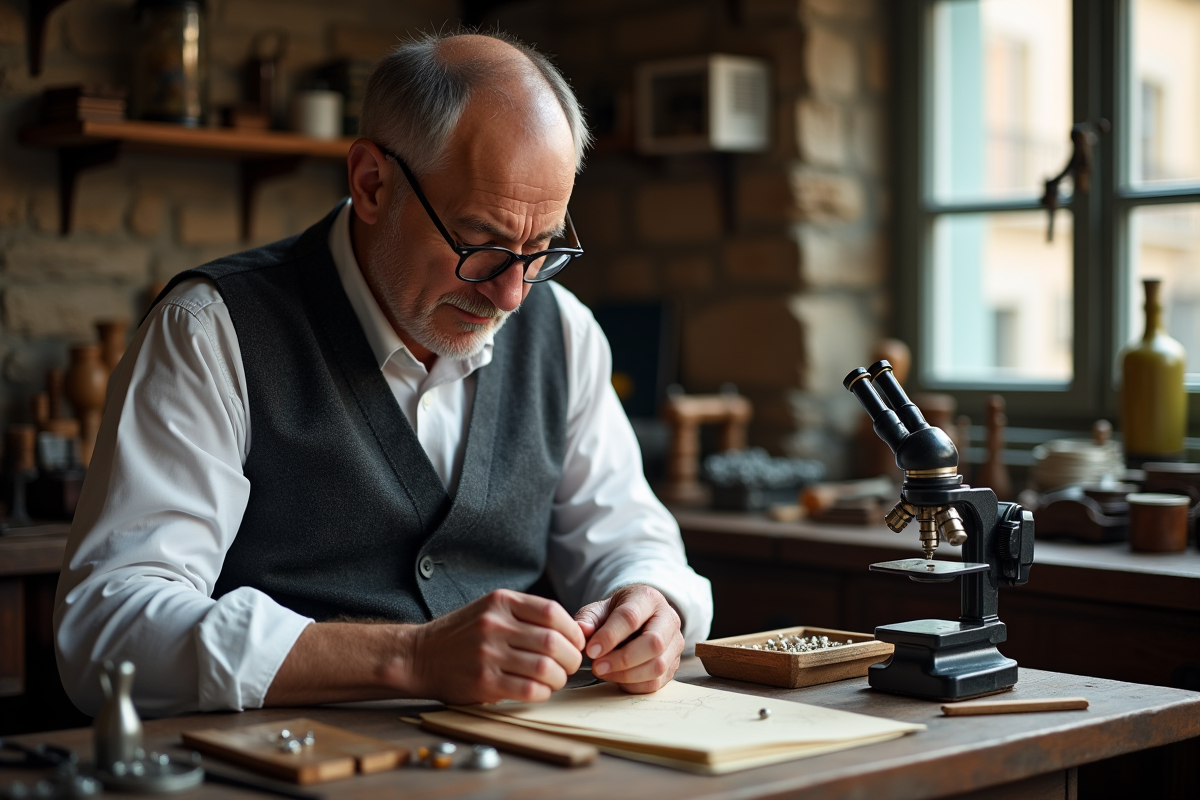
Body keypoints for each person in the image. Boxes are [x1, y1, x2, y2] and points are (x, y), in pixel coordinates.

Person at [53, 31, 712, 717]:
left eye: (541, 248)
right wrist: (412, 657)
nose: (512, 295)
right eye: (480, 243)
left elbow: (631, 538)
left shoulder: (565, 333)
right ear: (372, 183)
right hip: (289, 760)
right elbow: (109, 629)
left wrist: (652, 602)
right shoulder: (210, 331)